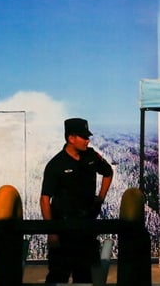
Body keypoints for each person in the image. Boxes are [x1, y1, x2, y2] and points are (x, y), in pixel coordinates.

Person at [40, 117, 114, 284]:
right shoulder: (56, 165)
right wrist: (51, 232)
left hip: (86, 227)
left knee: (85, 277)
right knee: (58, 277)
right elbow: (45, 199)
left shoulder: (91, 156)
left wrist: (100, 199)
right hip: (63, 229)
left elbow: (108, 173)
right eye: (84, 137)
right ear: (71, 139)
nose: (88, 140)